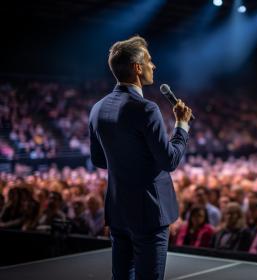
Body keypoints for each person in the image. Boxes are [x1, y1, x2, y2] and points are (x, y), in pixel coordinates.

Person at [89, 35, 192, 280]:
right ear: (137, 67)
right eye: (149, 61)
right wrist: (182, 126)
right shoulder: (146, 108)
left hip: (118, 210)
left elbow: (99, 160)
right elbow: (170, 161)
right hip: (149, 213)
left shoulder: (97, 108)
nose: (153, 66)